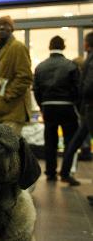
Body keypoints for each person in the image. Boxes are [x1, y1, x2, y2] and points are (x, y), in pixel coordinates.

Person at [33, 36, 80, 182]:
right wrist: (75, 105)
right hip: (67, 106)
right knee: (69, 141)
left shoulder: (40, 66)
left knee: (50, 141)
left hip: (48, 107)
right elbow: (77, 89)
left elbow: (36, 89)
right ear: (63, 46)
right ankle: (66, 173)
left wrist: (42, 105)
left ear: (49, 46)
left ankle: (50, 172)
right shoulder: (71, 65)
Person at [0, 15, 33, 135]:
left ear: (11, 29)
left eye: (5, 27)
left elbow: (25, 76)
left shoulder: (17, 47)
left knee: (7, 147)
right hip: (1, 106)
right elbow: (2, 74)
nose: (1, 30)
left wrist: (8, 94)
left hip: (14, 108)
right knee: (1, 148)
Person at [60, 31, 93, 186]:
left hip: (87, 108)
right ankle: (65, 172)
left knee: (75, 142)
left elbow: (87, 85)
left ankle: (65, 172)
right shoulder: (89, 59)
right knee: (76, 141)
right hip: (89, 108)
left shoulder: (90, 60)